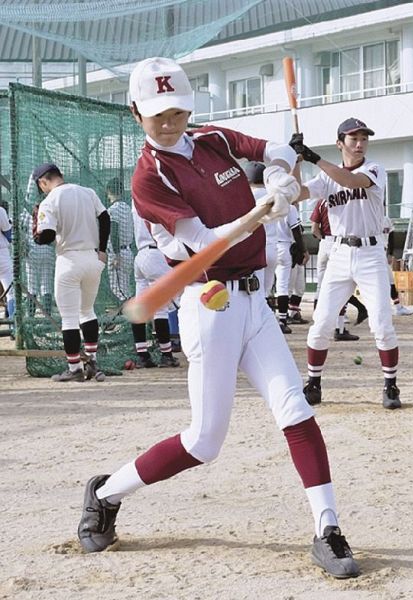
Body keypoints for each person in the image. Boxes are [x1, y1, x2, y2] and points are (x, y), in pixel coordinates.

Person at [76, 57, 359, 580]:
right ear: (136, 111)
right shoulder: (149, 176)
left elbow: (271, 149)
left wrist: (281, 174)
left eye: (177, 109)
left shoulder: (212, 139)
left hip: (255, 301)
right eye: (157, 112)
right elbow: (203, 242)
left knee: (295, 409)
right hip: (210, 304)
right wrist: (261, 210)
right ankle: (107, 491)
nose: (169, 121)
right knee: (204, 442)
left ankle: (328, 528)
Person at [290, 117, 402, 409]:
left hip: (370, 252)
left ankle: (390, 386)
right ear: (340, 143)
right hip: (338, 252)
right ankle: (313, 384)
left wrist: (313, 157)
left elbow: (351, 181)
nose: (360, 143)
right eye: (353, 138)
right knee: (322, 322)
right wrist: (296, 159)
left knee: (381, 323)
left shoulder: (374, 168)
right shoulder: (326, 177)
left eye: (364, 138)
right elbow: (295, 194)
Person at [32, 163, 110, 382]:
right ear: (61, 175)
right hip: (92, 258)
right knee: (88, 311)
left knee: (69, 319)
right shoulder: (88, 192)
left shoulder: (49, 200)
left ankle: (74, 368)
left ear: (43, 182)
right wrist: (102, 250)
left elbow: (46, 236)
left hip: (68, 260)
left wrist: (39, 229)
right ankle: (93, 363)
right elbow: (105, 218)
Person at [130, 202, 181, 368]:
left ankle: (143, 355)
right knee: (161, 309)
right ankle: (166, 354)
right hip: (157, 254)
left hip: (141, 254)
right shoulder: (156, 197)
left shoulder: (136, 198)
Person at [309, 197, 367, 339]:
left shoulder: (321, 201)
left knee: (321, 287)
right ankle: (339, 329)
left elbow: (314, 229)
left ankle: (318, 324)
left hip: (324, 243)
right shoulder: (345, 200)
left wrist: (323, 238)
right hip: (340, 243)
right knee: (342, 285)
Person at [245, 161, 278, 311]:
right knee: (266, 291)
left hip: (253, 249)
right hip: (272, 246)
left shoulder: (246, 196)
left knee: (252, 293)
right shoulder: (274, 195)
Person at [274, 204, 306, 334]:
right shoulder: (289, 207)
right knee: (283, 285)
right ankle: (282, 319)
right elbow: (297, 232)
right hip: (284, 246)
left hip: (268, 245)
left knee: (266, 286)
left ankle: (266, 318)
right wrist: (304, 250)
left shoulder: (267, 203)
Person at [105, 177, 134, 302]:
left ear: (108, 191)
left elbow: (114, 232)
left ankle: (132, 317)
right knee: (124, 288)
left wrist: (116, 255)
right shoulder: (128, 208)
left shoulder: (113, 209)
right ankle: (130, 318)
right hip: (127, 251)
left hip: (118, 253)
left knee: (119, 290)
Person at [382, 215, 413, 316]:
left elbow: (391, 237)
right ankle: (342, 313)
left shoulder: (386, 219)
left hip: (382, 253)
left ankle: (397, 307)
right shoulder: (366, 218)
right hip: (370, 253)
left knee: (390, 281)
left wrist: (390, 254)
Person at [0, 202, 15, 322]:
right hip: (1, 254)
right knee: (11, 292)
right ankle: (13, 326)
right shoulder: (0, 210)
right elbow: (9, 235)